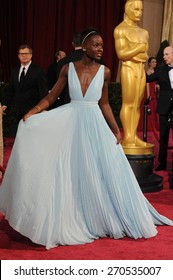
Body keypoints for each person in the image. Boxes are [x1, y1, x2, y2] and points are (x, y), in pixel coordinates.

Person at [0, 29, 172, 250]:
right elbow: (52, 96)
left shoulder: (106, 72)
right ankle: (72, 213)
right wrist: (33, 111)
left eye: (102, 45)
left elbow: (105, 104)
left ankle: (99, 214)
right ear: (85, 45)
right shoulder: (67, 68)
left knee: (99, 170)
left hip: (95, 125)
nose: (101, 49)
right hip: (71, 121)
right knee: (70, 169)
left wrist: (115, 128)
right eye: (97, 45)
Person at [113, 0, 153, 152]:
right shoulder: (120, 30)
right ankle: (128, 136)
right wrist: (138, 48)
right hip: (128, 68)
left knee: (137, 104)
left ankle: (133, 135)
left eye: (141, 10)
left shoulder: (144, 32)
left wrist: (138, 52)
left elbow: (145, 56)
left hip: (140, 69)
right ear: (127, 9)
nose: (139, 13)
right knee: (129, 103)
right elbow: (122, 54)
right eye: (136, 9)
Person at [1, 44, 48, 125]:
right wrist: (4, 104)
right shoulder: (14, 71)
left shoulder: (39, 71)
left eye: (26, 53)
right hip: (17, 111)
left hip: (33, 111)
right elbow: (10, 90)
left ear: (31, 55)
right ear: (18, 56)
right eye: (22, 54)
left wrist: (42, 108)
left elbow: (43, 91)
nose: (24, 56)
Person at [146, 46, 173, 172]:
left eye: (167, 54)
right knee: (163, 137)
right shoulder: (160, 70)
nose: (164, 57)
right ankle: (162, 163)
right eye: (163, 54)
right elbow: (147, 79)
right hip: (164, 107)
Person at [145, 57, 159, 131]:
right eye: (153, 62)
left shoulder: (154, 71)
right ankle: (150, 126)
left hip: (154, 92)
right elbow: (147, 83)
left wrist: (157, 86)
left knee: (154, 108)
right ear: (149, 63)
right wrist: (148, 95)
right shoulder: (148, 72)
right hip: (149, 91)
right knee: (150, 107)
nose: (154, 63)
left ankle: (154, 125)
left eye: (155, 62)